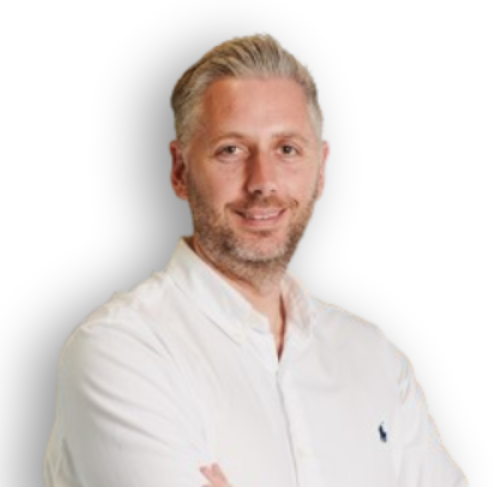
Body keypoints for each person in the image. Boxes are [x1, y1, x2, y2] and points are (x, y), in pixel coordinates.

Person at [42, 32, 469, 487]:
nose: (262, 182)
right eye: (231, 150)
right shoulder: (120, 351)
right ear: (180, 171)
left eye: (287, 149)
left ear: (321, 171)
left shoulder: (375, 357)